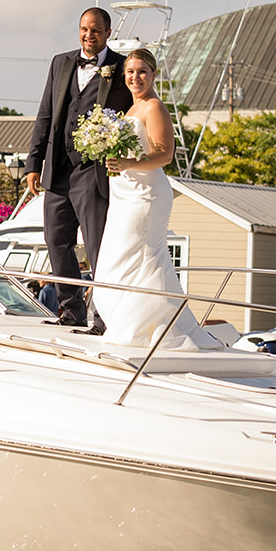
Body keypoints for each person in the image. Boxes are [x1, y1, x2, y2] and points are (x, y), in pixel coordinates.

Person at [93, 48, 219, 350]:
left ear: (153, 75)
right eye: (130, 72)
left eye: (142, 72)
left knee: (143, 259)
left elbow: (164, 154)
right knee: (117, 258)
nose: (135, 77)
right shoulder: (130, 109)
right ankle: (132, 322)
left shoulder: (154, 107)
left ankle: (152, 328)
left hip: (146, 196)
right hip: (124, 194)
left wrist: (128, 164)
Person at [23, 6, 133, 331]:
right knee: (56, 240)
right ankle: (71, 311)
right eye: (84, 29)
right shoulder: (61, 62)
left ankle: (103, 318)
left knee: (98, 245)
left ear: (108, 33)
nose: (88, 36)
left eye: (96, 31)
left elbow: (133, 113)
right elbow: (45, 115)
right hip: (58, 168)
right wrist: (33, 163)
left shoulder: (122, 67)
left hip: (93, 169)